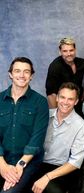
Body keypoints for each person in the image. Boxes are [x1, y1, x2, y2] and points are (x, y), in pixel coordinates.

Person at [0, 57, 49, 193]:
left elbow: (37, 139)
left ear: (31, 76)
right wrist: (2, 165)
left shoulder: (40, 102)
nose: (21, 75)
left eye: (26, 72)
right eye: (17, 71)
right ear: (10, 74)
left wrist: (19, 165)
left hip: (27, 163)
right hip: (2, 159)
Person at [32, 82, 84, 193]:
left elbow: (75, 162)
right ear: (57, 98)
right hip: (36, 164)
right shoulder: (45, 115)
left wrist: (47, 177)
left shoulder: (81, 126)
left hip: (60, 169)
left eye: (70, 99)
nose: (65, 102)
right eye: (62, 97)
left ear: (76, 102)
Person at [45, 37, 84, 117]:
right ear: (60, 52)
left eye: (71, 50)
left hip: (78, 102)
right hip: (64, 105)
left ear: (75, 50)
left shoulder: (81, 62)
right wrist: (55, 115)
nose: (69, 54)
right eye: (65, 51)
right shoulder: (55, 67)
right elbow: (51, 94)